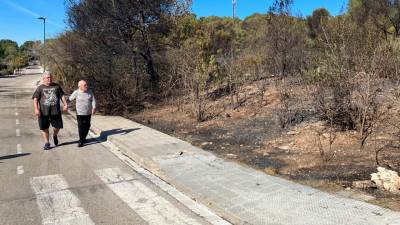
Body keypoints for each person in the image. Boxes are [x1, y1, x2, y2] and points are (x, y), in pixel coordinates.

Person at [33, 72, 68, 150]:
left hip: (55, 112)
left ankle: (55, 135)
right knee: (44, 128)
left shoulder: (57, 86)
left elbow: (62, 95)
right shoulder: (40, 88)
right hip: (43, 112)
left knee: (57, 127)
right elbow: (35, 99)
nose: (50, 79)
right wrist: (36, 109)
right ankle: (47, 143)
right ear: (44, 79)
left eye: (51, 77)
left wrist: (65, 104)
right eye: (48, 77)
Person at [69, 80, 96, 147]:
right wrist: (66, 105)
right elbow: (70, 99)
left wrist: (94, 107)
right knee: (81, 127)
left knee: (87, 126)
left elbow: (93, 100)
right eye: (85, 85)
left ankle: (83, 138)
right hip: (80, 113)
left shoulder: (90, 92)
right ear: (80, 86)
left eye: (86, 84)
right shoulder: (76, 92)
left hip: (88, 112)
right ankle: (81, 140)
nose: (86, 86)